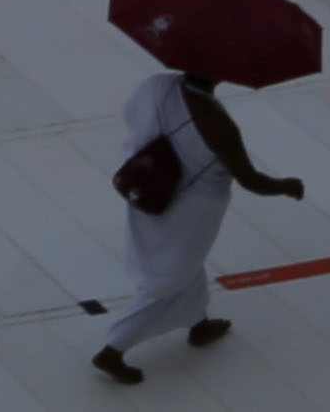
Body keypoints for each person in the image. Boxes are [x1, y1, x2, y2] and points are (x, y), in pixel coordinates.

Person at [92, 65, 307, 381]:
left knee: (184, 265)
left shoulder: (157, 86)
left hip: (147, 187)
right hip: (187, 213)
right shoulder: (217, 124)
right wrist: (286, 185)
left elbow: (132, 117)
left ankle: (198, 322)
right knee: (170, 279)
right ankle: (113, 350)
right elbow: (249, 179)